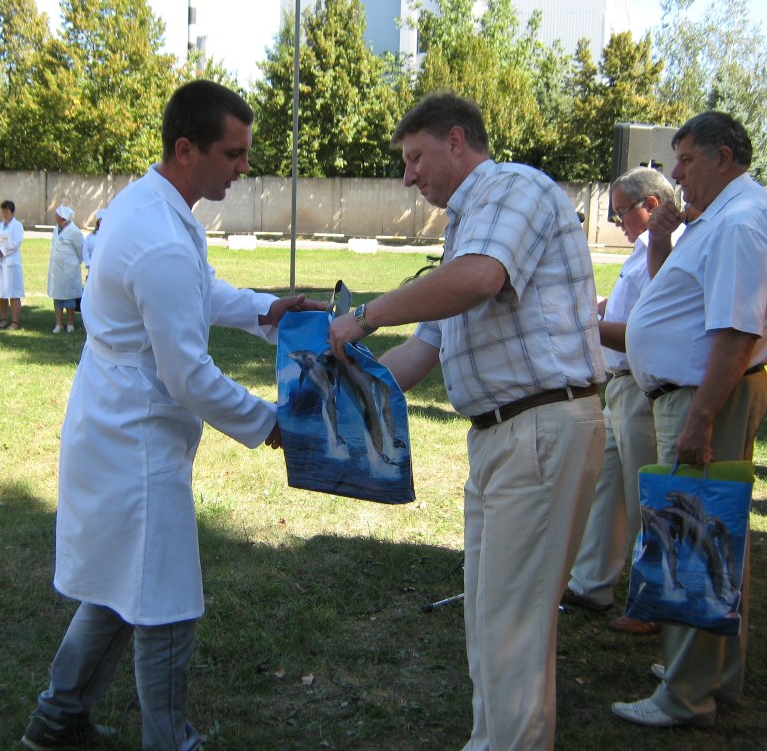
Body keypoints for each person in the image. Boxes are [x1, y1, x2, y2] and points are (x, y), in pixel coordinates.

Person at [20, 80, 323, 751]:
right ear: (187, 150)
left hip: (119, 422)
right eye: (233, 153)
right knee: (163, 604)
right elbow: (189, 376)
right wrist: (272, 424)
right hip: (135, 441)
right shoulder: (157, 233)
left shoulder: (153, 204)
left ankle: (57, 720)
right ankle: (168, 741)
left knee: (119, 585)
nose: (244, 167)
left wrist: (265, 309)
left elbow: (197, 289)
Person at [327, 92, 606, 751]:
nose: (408, 177)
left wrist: (365, 316)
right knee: (489, 618)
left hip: (539, 430)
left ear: (457, 141)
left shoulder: (512, 189)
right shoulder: (468, 226)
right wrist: (338, 396)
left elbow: (480, 279)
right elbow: (424, 350)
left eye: (415, 158)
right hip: (503, 438)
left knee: (513, 628)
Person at [611, 112, 767, 728]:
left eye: (686, 159)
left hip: (705, 399)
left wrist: (701, 419)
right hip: (696, 395)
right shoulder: (718, 218)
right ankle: (711, 676)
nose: (675, 174)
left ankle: (686, 694)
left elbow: (737, 331)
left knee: (692, 540)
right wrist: (660, 244)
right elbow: (677, 303)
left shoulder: (739, 222)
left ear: (724, 158)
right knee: (714, 535)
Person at [562, 166, 682, 635]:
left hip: (640, 386)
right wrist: (599, 309)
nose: (617, 222)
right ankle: (592, 583)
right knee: (606, 489)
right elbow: (630, 308)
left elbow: (647, 328)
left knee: (642, 499)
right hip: (619, 386)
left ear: (651, 205)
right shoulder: (643, 248)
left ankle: (652, 603)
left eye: (621, 212)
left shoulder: (667, 248)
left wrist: (582, 324)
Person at [46, 205, 84, 334]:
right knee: (57, 295)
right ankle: (58, 324)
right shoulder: (56, 229)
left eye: (56, 215)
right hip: (56, 269)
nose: (55, 217)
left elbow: (81, 250)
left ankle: (70, 323)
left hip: (69, 269)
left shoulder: (74, 231)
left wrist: (75, 262)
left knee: (69, 297)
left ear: (62, 218)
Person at [0, 199, 24, 329]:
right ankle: (3, 319)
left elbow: (16, 243)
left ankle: (15, 322)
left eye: (6, 211)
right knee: (0, 292)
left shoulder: (17, 226)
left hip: (11, 263)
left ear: (12, 212)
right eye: (2, 211)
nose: (4, 214)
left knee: (14, 293)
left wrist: (2, 251)